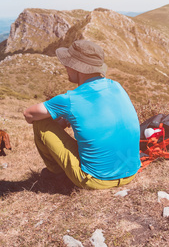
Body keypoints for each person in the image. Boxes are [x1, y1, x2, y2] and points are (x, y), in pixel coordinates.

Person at [23, 40, 141, 189]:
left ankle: (56, 175)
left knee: (41, 123)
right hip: (131, 172)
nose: (65, 67)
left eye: (68, 63)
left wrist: (55, 119)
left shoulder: (70, 99)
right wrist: (66, 119)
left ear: (77, 68)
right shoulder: (116, 86)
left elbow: (29, 115)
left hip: (97, 180)